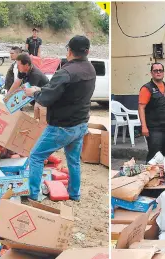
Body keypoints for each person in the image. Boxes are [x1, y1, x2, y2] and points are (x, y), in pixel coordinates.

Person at [23, 35, 96, 202]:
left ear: (69, 51)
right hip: (81, 124)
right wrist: (41, 90)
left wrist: (33, 92)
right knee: (74, 161)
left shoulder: (65, 72)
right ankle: (75, 194)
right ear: (87, 51)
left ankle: (33, 195)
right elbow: (61, 93)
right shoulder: (90, 69)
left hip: (62, 127)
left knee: (36, 156)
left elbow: (45, 99)